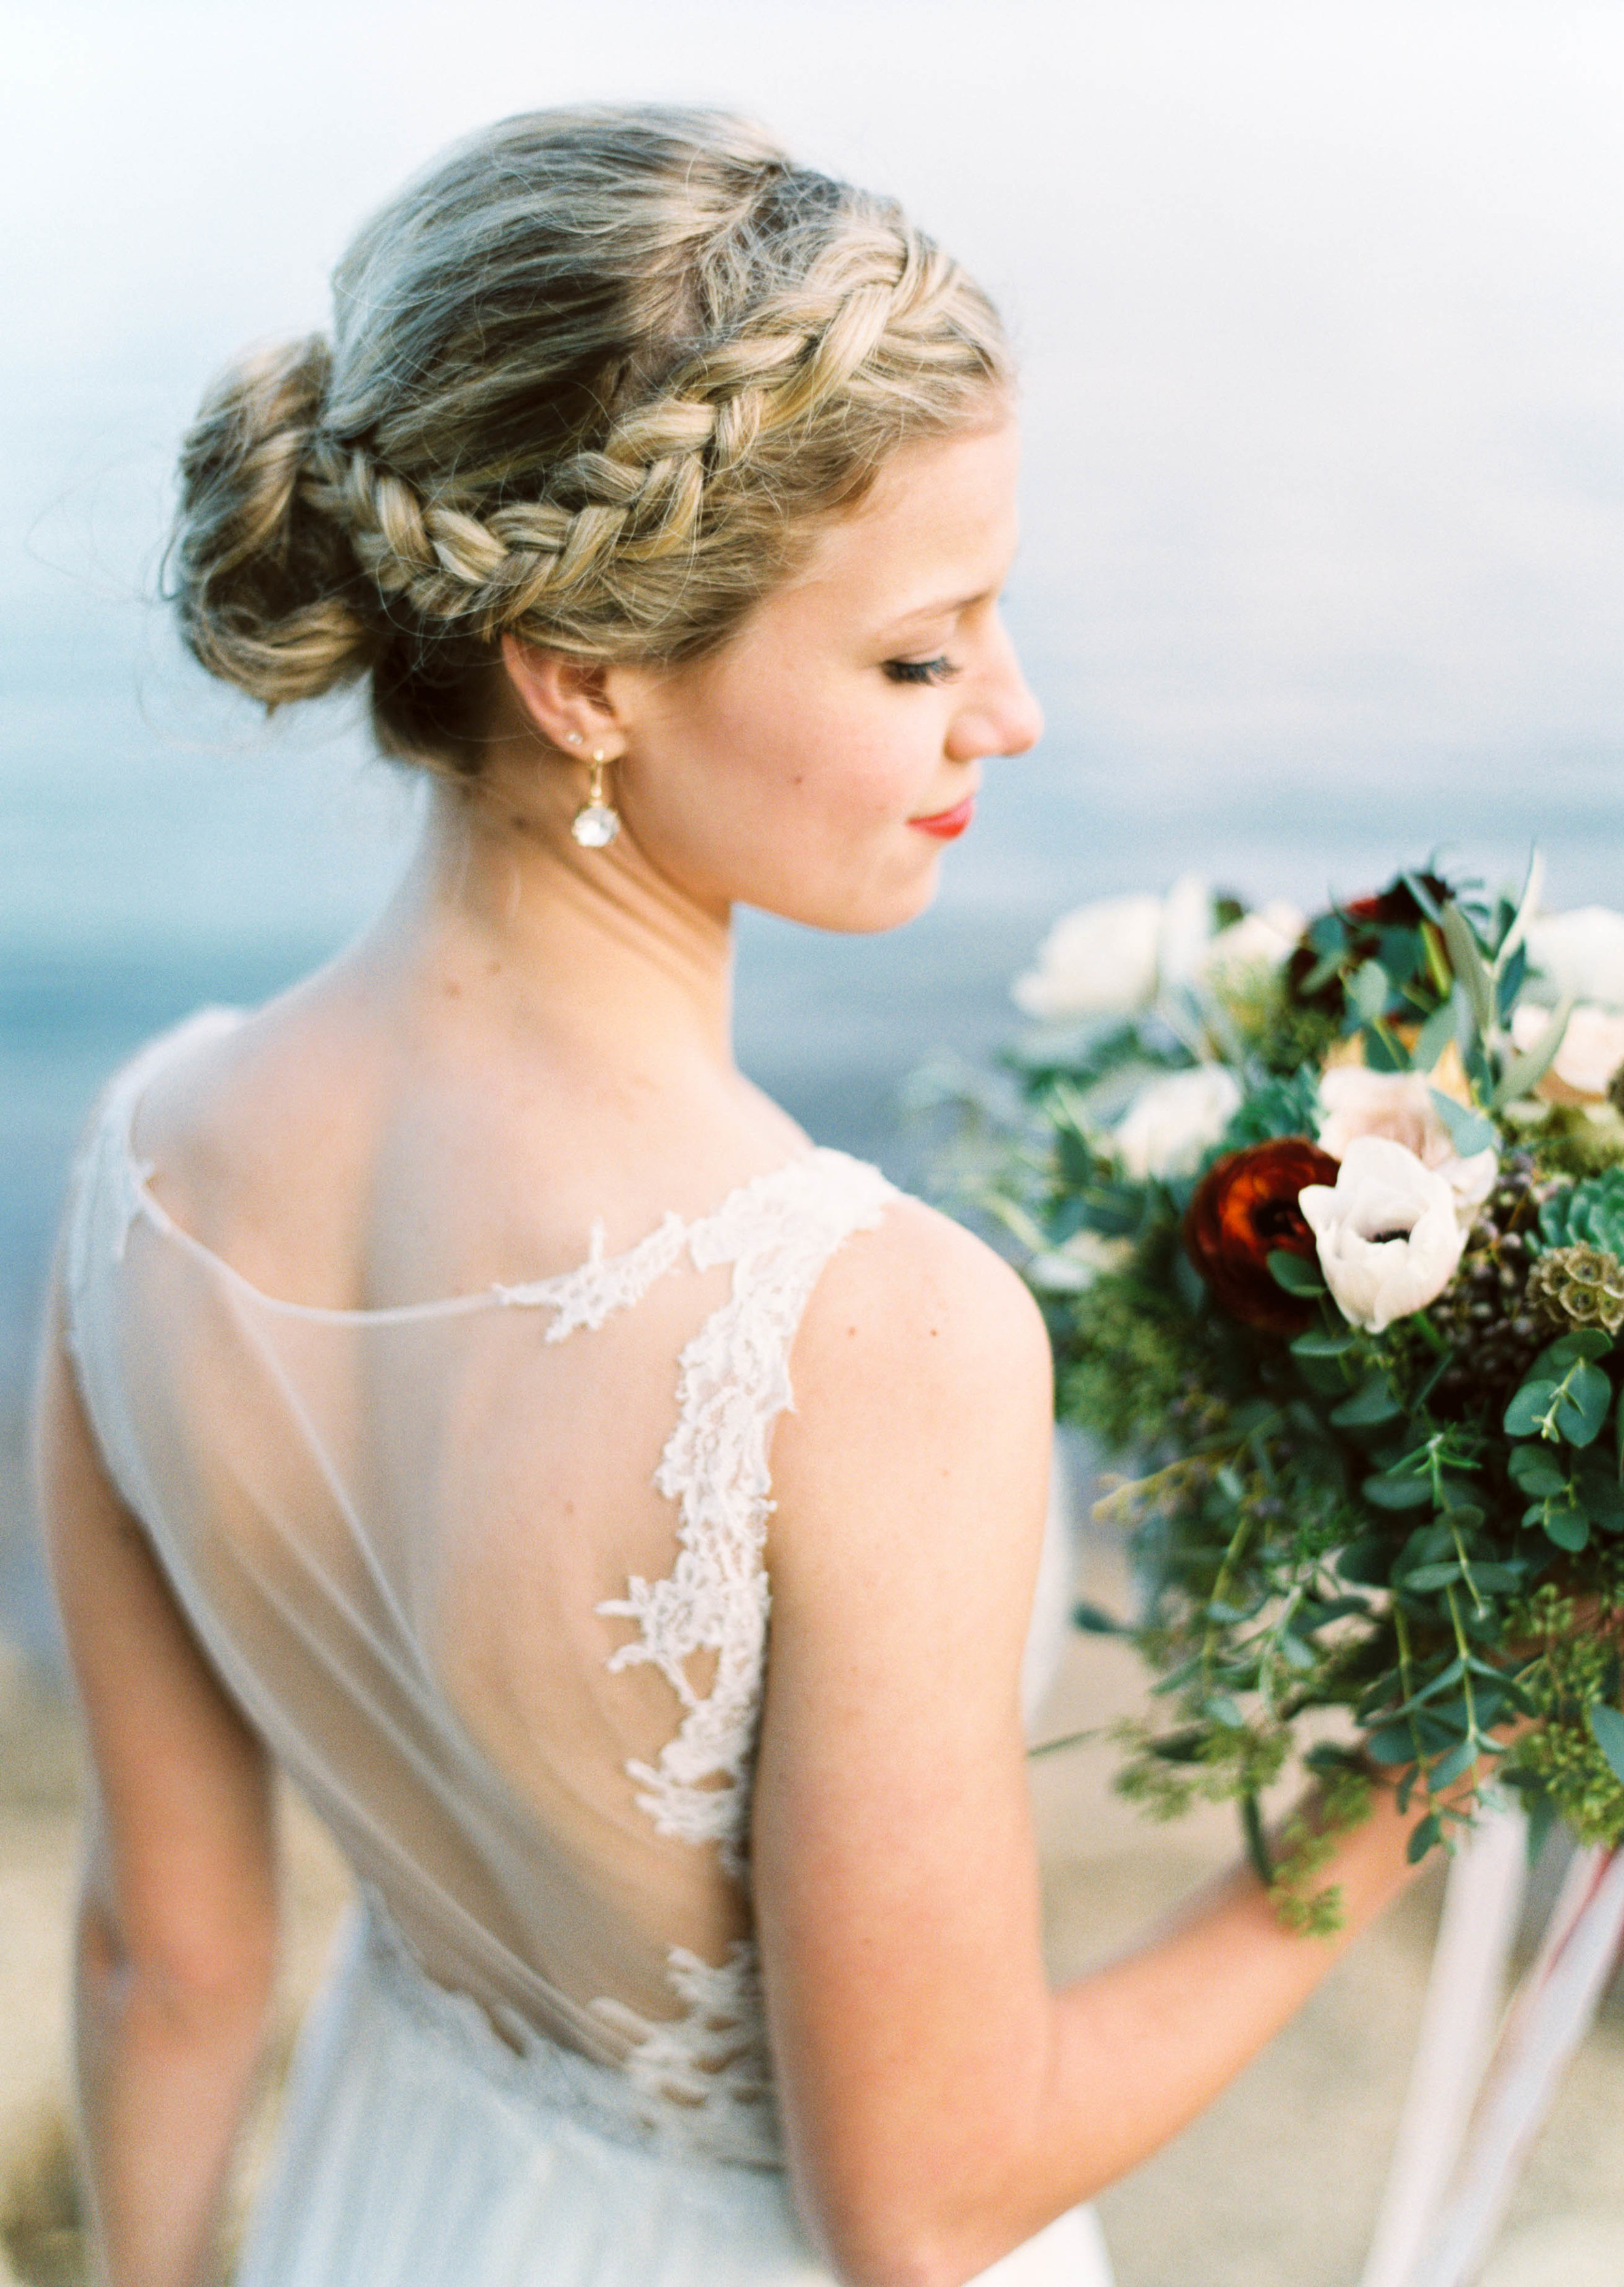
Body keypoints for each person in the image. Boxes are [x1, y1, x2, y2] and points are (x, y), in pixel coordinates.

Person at [35, 106, 1431, 2287]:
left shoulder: (143, 1156)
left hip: (386, 2210)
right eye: (916, 656)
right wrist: (1402, 1796)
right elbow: (929, 2199)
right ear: (582, 680)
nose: (1016, 713)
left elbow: (171, 1964)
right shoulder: (873, 1331)